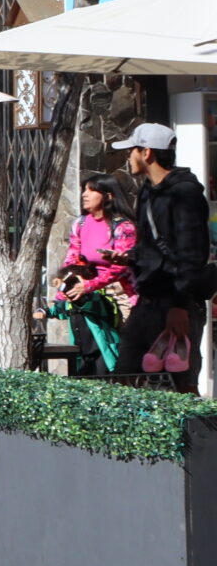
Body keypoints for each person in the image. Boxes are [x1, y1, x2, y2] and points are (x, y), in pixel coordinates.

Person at [112, 123, 212, 379]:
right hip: (147, 301)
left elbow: (192, 254)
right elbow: (151, 246)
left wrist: (179, 306)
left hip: (178, 303)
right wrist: (131, 258)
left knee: (180, 383)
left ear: (147, 153)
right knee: (124, 378)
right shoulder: (147, 191)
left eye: (131, 150)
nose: (128, 157)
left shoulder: (185, 193)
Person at [55, 174, 138, 379]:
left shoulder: (123, 227)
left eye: (91, 190)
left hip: (121, 292)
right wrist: (64, 287)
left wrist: (90, 285)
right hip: (90, 291)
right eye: (84, 189)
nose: (85, 194)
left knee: (124, 346)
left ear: (108, 196)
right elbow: (73, 258)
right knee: (93, 346)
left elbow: (120, 268)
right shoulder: (81, 224)